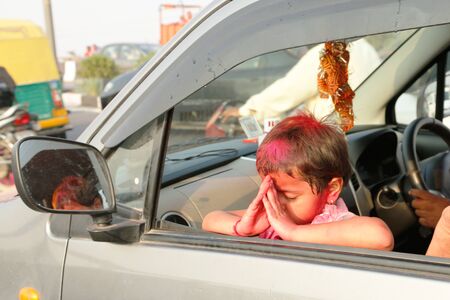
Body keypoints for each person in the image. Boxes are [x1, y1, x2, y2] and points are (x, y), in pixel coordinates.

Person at [202, 113, 394, 250]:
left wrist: (292, 233)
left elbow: (381, 237)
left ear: (332, 190)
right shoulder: (273, 215)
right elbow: (210, 219)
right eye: (271, 192)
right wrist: (243, 228)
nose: (277, 203)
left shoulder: (336, 221)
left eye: (289, 196)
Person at [221, 38, 381, 122]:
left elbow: (289, 90)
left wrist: (246, 111)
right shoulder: (365, 48)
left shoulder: (328, 53)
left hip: (331, 141)